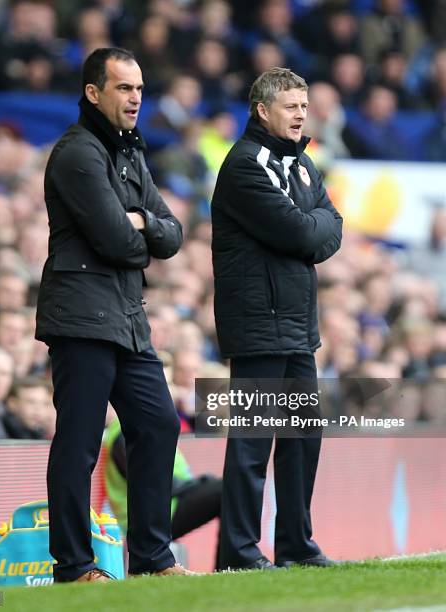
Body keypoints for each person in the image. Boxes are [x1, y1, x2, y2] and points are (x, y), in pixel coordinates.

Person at [35, 47, 191, 584]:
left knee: (158, 423)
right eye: (124, 88)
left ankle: (152, 558)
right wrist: (142, 231)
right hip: (80, 317)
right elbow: (116, 241)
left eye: (140, 89)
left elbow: (171, 234)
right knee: (79, 444)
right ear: (93, 92)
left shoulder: (130, 154)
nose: (135, 99)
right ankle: (74, 567)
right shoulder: (77, 154)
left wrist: (140, 222)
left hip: (125, 316)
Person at [211, 67, 343, 570]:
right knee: (251, 444)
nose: (301, 115)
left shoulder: (303, 165)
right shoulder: (245, 165)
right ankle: (241, 552)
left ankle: (295, 544)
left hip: (296, 325)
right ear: (263, 111)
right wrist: (314, 226)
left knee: (303, 438)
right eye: (291, 107)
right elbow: (304, 234)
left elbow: (332, 227)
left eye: (304, 107)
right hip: (257, 322)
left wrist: (314, 226)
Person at [103, 416, 222, 569]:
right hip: (152, 515)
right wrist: (199, 484)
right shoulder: (125, 432)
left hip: (166, 506)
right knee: (227, 490)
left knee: (227, 489)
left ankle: (228, 564)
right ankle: (229, 564)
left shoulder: (141, 426)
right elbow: (149, 482)